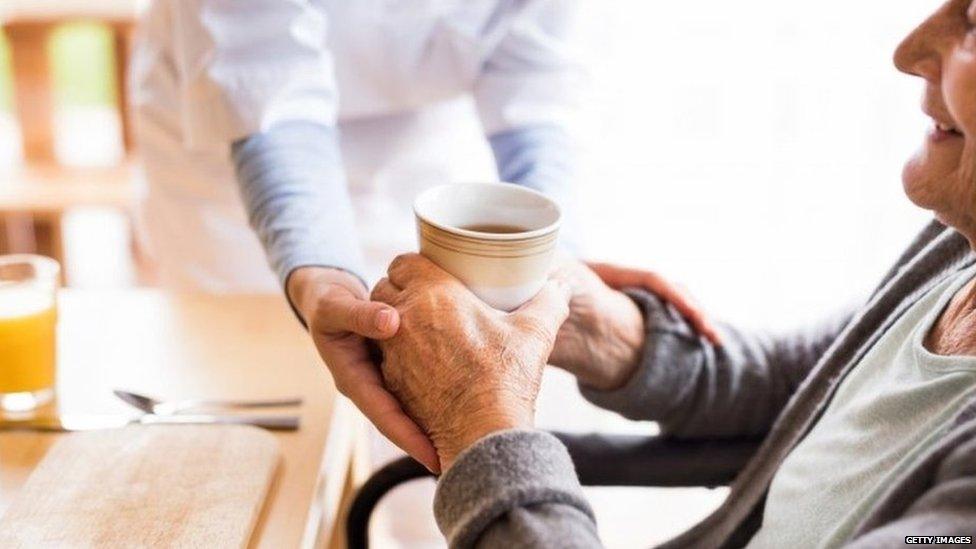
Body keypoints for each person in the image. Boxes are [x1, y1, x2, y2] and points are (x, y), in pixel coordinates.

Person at [371, 0, 976, 545]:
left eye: (974, 20)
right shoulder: (959, 242)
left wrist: (479, 420)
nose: (909, 51)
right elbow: (806, 384)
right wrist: (609, 331)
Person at [127, 0, 603, 470]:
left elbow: (536, 73)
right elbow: (266, 74)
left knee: (443, 403)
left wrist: (551, 254)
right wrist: (317, 274)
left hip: (425, 117)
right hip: (236, 114)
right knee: (255, 393)